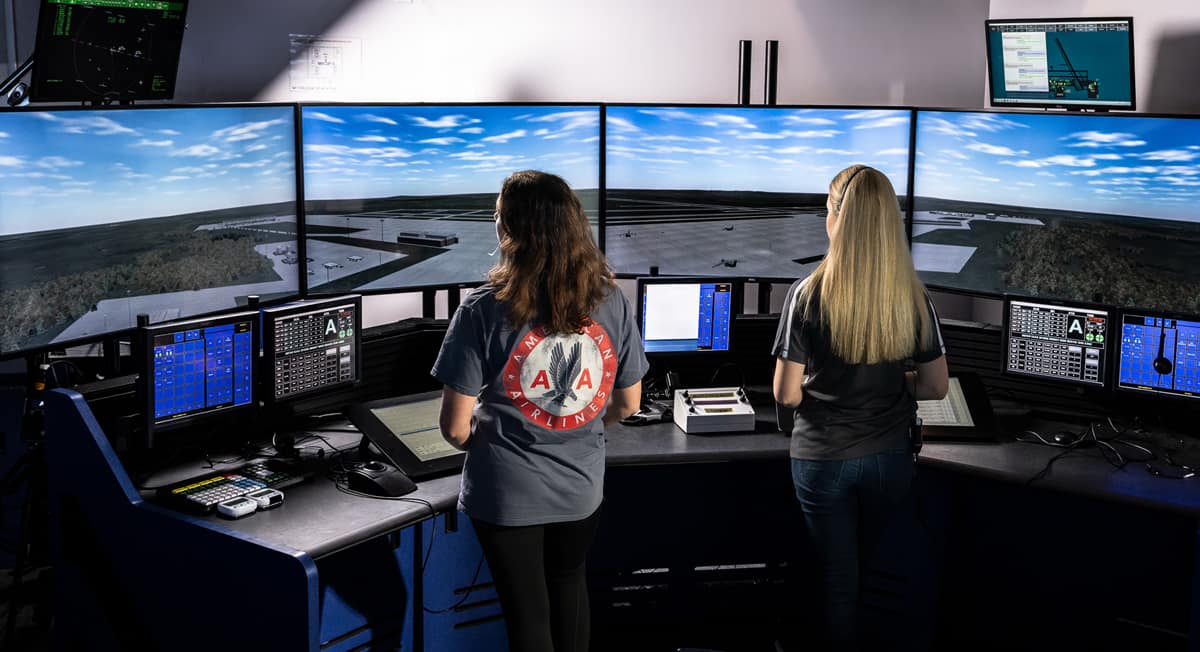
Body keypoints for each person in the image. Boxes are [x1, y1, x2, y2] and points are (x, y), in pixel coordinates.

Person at [431, 170, 648, 652]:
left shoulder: (482, 310)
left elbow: (454, 428)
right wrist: (577, 424)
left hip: (507, 493)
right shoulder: (611, 299)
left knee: (527, 616)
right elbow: (629, 403)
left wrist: (497, 442)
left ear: (510, 229)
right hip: (580, 489)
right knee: (570, 591)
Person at [772, 164, 948, 651]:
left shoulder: (807, 293)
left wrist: (825, 386)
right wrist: (891, 380)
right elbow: (936, 386)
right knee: (870, 573)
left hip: (823, 458)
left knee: (836, 584)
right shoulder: (915, 297)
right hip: (889, 461)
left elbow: (786, 395)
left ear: (836, 216)